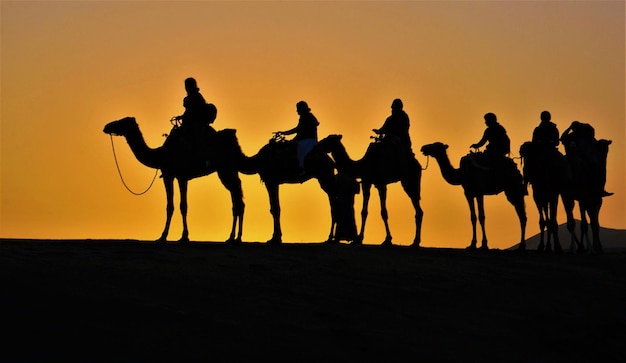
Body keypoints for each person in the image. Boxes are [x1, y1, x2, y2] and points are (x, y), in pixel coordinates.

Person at [560, 121, 612, 197]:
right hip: (574, 156)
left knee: (600, 168)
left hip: (586, 157)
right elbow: (562, 138)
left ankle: (600, 188)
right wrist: (569, 128)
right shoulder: (573, 136)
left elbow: (594, 145)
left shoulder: (587, 136)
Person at [275, 101, 319, 170]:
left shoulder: (307, 117)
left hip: (308, 141)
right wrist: (284, 133)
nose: (297, 111)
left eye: (298, 109)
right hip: (304, 140)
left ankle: (300, 167)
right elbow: (298, 130)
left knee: (292, 148)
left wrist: (285, 133)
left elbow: (298, 130)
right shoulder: (304, 117)